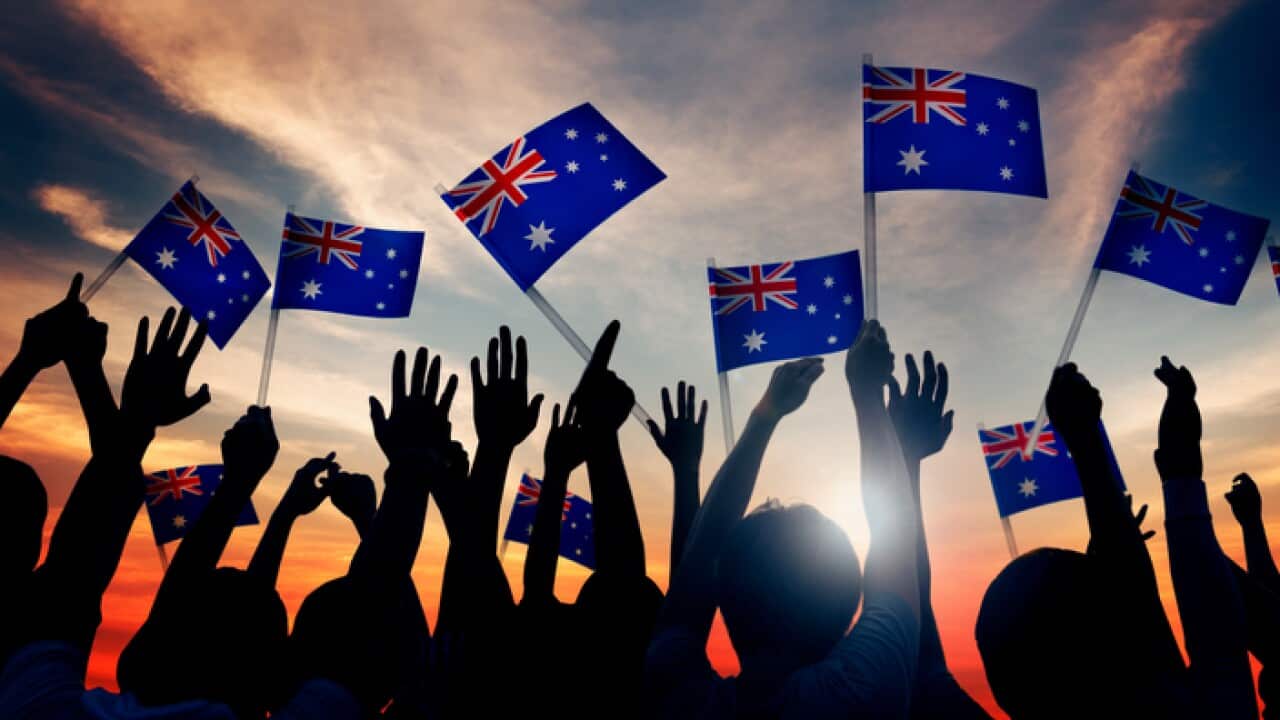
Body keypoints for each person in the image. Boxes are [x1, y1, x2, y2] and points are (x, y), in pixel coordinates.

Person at [646, 319, 924, 718]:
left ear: (724, 595)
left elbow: (698, 559)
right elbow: (896, 538)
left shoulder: (676, 701)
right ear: (849, 602)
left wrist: (764, 416)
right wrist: (866, 393)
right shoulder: (867, 694)